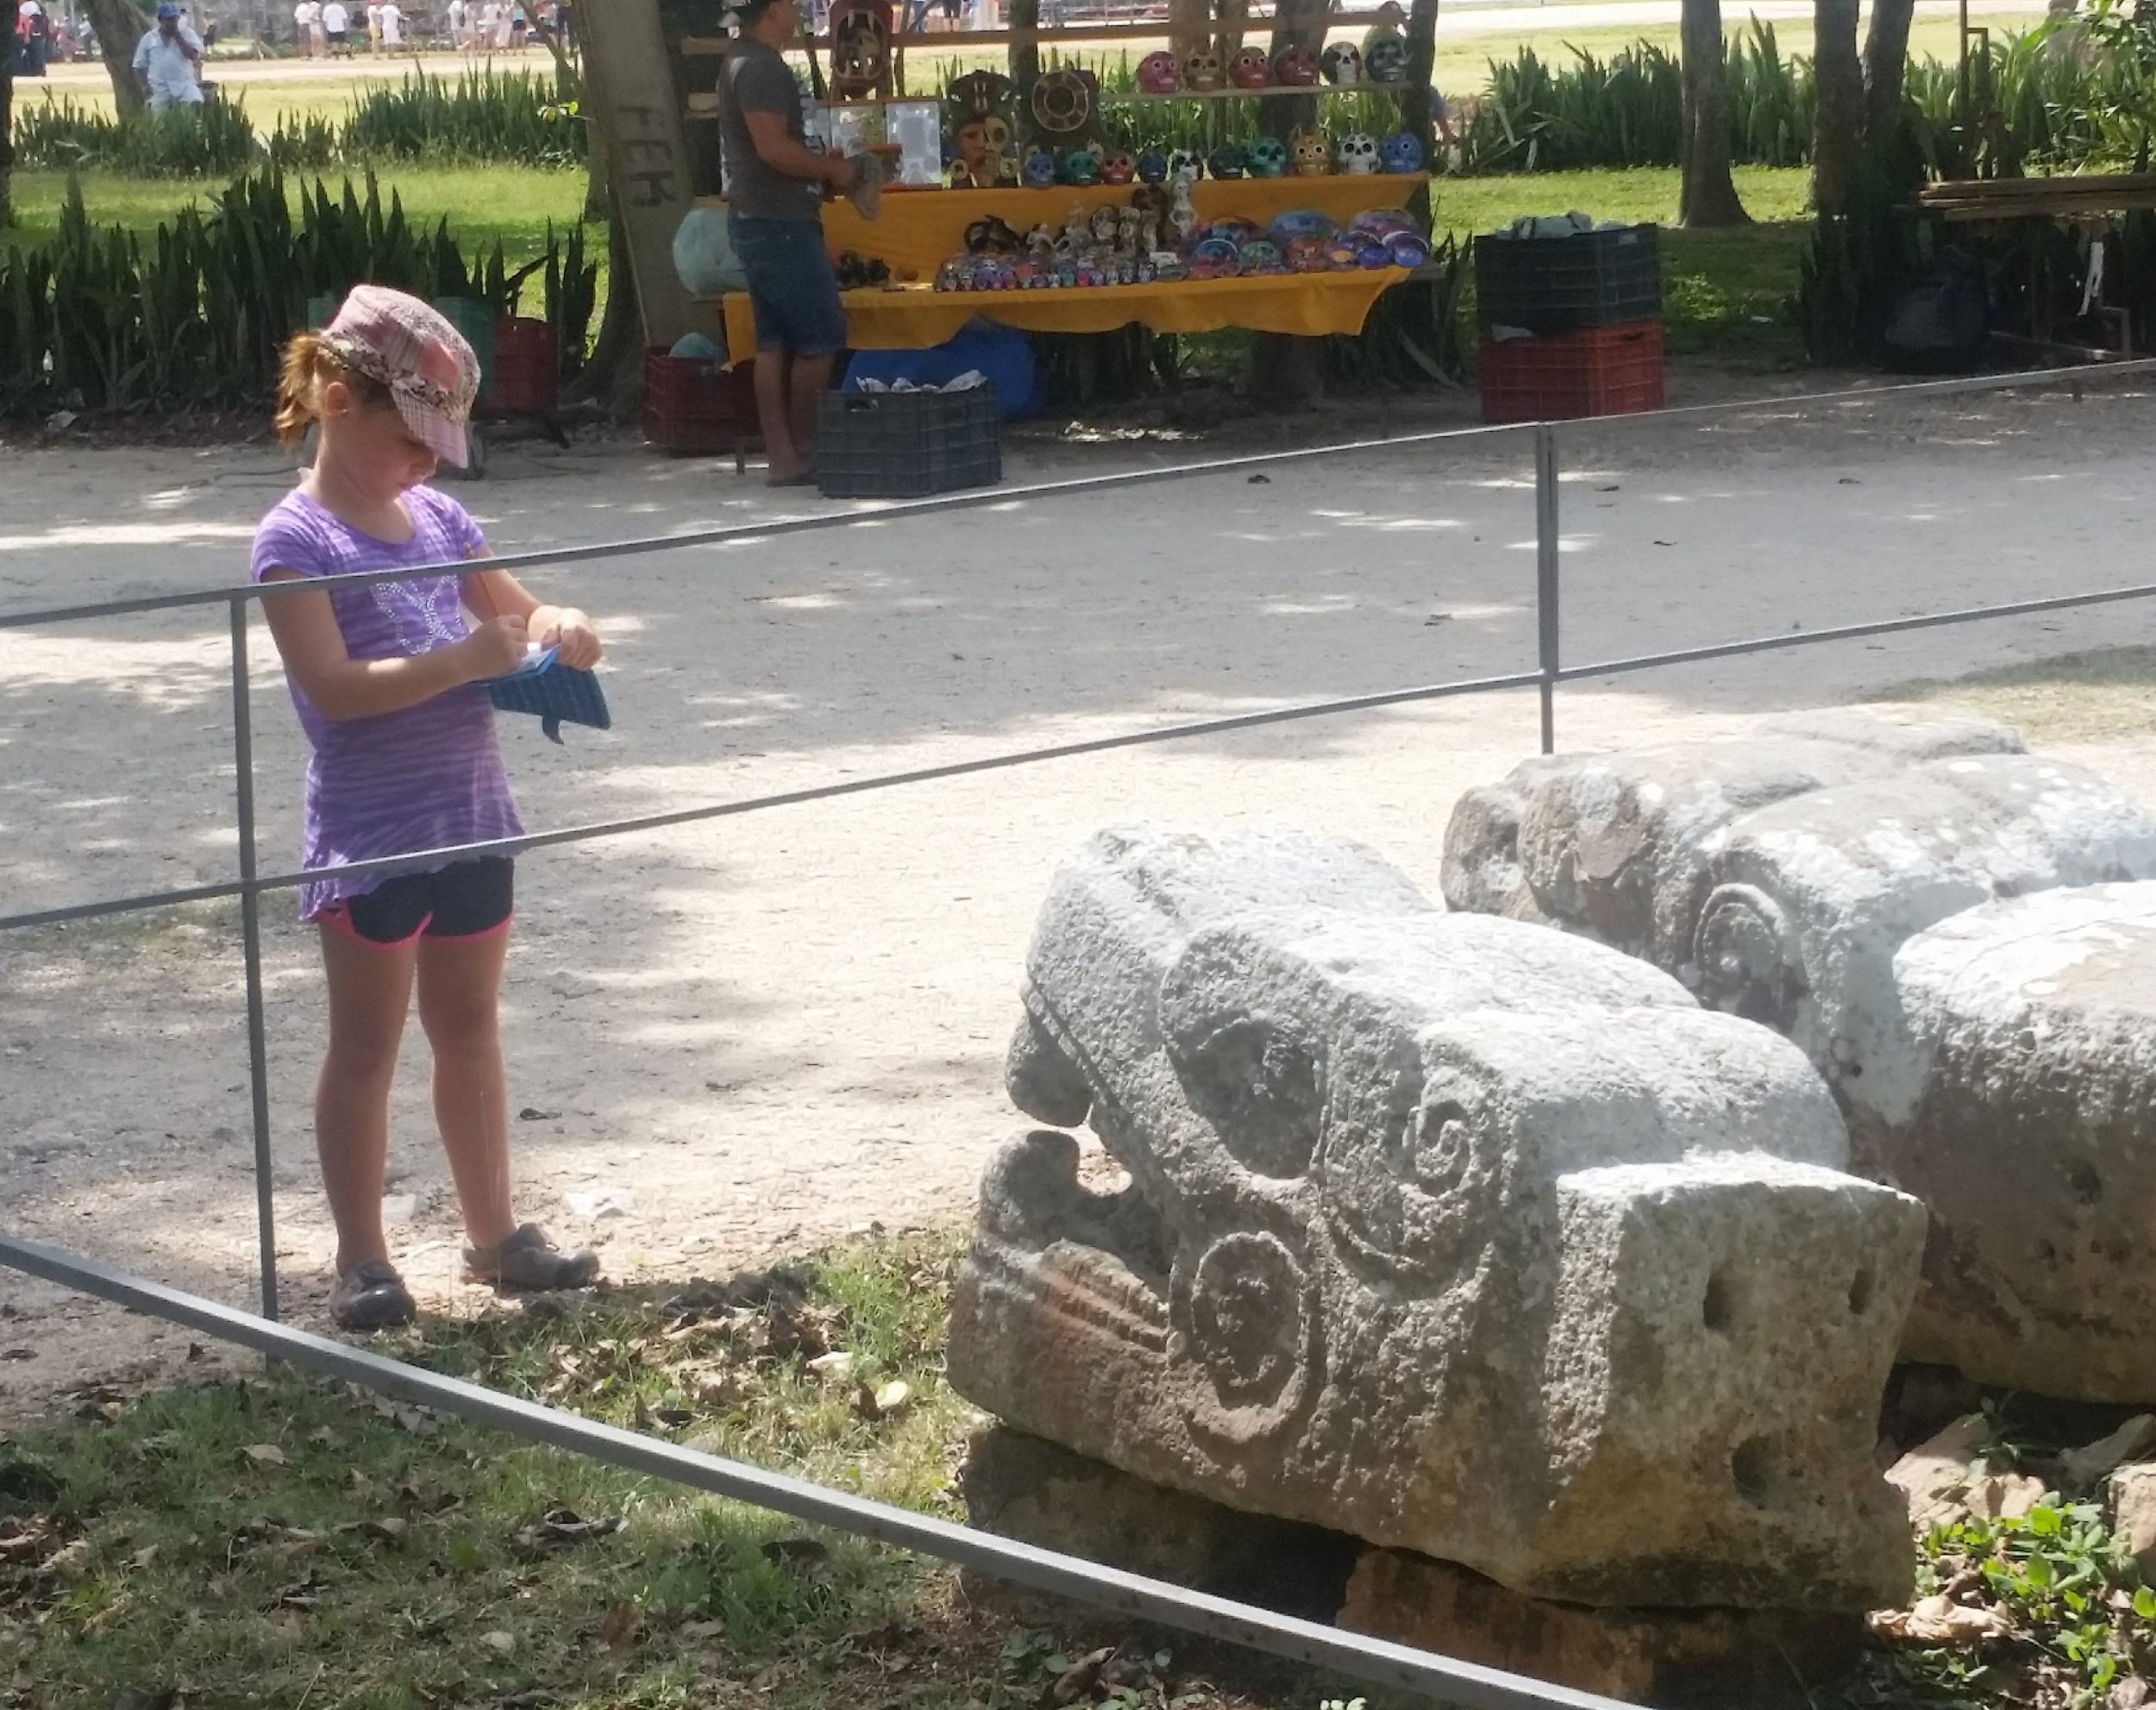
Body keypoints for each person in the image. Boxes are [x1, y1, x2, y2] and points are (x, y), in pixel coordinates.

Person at [252, 286, 606, 1332]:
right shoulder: (294, 541)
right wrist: (461, 660)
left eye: (440, 441)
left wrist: (561, 621)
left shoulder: (446, 518)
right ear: (331, 395)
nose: (430, 461)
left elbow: (519, 607)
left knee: (470, 1028)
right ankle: (361, 1257)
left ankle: (495, 1235)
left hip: (472, 816)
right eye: (411, 437)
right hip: (371, 834)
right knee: (367, 1046)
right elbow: (336, 687)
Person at [716, 0, 860, 485]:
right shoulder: (760, 67)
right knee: (820, 339)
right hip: (779, 222)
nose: (797, 10)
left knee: (775, 342)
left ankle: (783, 456)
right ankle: (801, 446)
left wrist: (817, 167)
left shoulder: (740, 60)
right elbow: (773, 149)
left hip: (759, 217)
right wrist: (833, 169)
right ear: (772, 10)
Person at [134, 3, 205, 108]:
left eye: (174, 19)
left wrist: (178, 37)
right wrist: (145, 87)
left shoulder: (187, 34)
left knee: (196, 104)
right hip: (159, 89)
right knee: (160, 119)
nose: (172, 23)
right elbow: (138, 65)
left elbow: (193, 55)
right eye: (168, 19)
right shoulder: (149, 38)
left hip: (185, 86)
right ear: (160, 20)